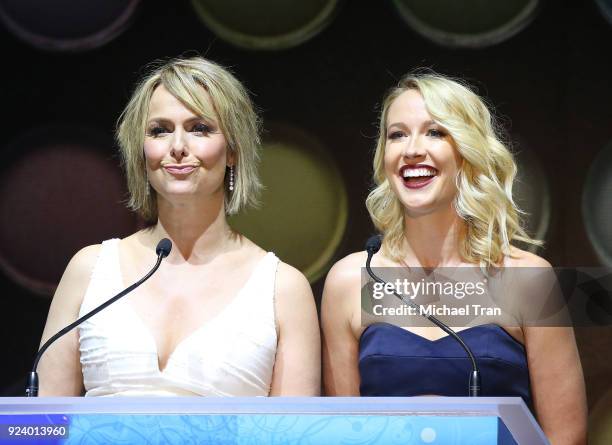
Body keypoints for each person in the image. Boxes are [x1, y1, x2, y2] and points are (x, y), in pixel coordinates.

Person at [321, 72, 587, 443]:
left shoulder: (529, 279)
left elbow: (566, 438)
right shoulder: (351, 281)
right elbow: (343, 434)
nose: (412, 149)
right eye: (397, 134)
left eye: (435, 132)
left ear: (468, 151)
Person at [37, 56, 320, 397]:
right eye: (160, 130)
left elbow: (292, 434)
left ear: (232, 150)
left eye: (200, 128)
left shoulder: (283, 289)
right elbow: (44, 424)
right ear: (141, 151)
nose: (178, 147)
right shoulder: (89, 269)